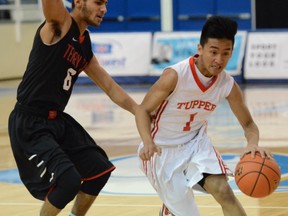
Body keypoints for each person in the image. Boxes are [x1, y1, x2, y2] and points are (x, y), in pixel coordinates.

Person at [8, 0, 137, 215]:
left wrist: (139, 110)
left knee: (100, 170)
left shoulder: (84, 44)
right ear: (78, 2)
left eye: (105, 3)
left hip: (57, 120)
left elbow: (110, 87)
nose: (103, 9)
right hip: (31, 122)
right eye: (98, 2)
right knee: (68, 181)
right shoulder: (60, 24)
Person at [135, 16, 272, 216]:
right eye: (214, 52)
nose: (219, 60)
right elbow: (142, 110)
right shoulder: (175, 75)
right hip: (161, 150)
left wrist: (252, 143)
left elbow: (249, 124)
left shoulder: (227, 85)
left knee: (224, 191)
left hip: (196, 144)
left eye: (226, 53)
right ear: (200, 49)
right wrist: (147, 141)